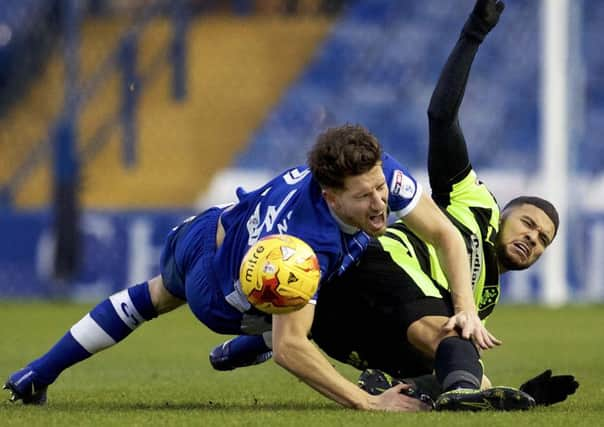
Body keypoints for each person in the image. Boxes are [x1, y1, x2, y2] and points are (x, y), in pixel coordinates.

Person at [210, 0, 578, 411]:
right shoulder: (477, 204)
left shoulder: (483, 298)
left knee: (466, 362)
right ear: (506, 212)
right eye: (528, 223)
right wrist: (474, 32)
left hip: (360, 321)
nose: (532, 237)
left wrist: (521, 391)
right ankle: (262, 339)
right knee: (450, 342)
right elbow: (441, 117)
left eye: (543, 239)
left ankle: (284, 348)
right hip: (374, 267)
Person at [4, 118, 494, 410]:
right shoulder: (303, 245)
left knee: (150, 296)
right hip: (220, 294)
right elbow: (292, 349)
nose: (380, 203)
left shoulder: (377, 172)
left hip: (215, 225)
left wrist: (465, 306)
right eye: (365, 197)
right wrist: (369, 403)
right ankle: (252, 335)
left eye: (381, 189)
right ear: (329, 196)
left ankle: (33, 376)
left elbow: (445, 233)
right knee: (312, 298)